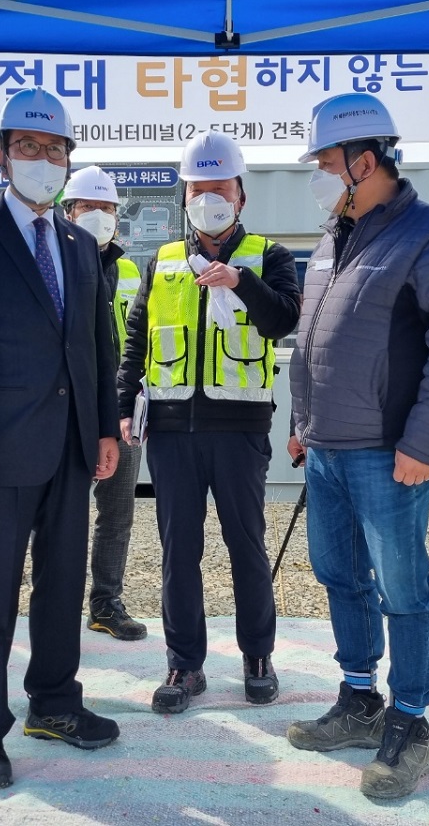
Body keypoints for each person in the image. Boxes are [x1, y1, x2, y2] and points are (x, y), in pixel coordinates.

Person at [286, 93, 429, 800]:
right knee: (339, 574)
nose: (319, 175)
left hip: (389, 453)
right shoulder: (335, 236)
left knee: (405, 590)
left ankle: (411, 720)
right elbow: (310, 344)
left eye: (327, 163)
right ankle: (360, 696)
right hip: (329, 449)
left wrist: (424, 444)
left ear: (364, 162)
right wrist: (302, 422)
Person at [0, 88, 121, 793]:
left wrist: (105, 429)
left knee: (62, 582)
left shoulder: (78, 242)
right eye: (29, 148)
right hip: (1, 452)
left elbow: (96, 346)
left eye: (55, 150)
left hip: (72, 448)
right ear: (3, 155)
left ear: (69, 160)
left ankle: (54, 703)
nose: (43, 160)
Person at [116, 131, 300, 715]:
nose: (209, 200)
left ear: (240, 196)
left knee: (246, 544)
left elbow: (284, 321)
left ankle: (257, 655)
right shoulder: (164, 262)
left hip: (240, 430)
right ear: (186, 196)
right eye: (198, 190)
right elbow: (135, 342)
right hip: (171, 431)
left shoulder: (268, 257)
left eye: (219, 190)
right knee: (178, 551)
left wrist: (241, 283)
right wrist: (124, 405)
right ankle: (184, 664)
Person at [61, 166, 146, 641]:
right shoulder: (51, 265)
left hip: (120, 409)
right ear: (68, 212)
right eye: (89, 208)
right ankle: (57, 599)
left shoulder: (130, 269)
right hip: (65, 410)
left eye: (108, 209)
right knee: (63, 510)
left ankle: (106, 603)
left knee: (117, 511)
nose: (99, 216)